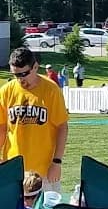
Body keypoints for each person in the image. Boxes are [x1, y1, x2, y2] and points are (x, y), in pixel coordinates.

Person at [0, 48, 68, 192]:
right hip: (13, 170)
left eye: (24, 74)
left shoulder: (51, 89)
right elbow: (2, 128)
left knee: (47, 206)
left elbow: (62, 127)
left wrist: (57, 162)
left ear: (35, 67)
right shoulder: (6, 91)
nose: (20, 79)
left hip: (44, 171)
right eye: (15, 75)